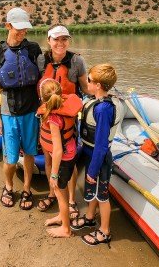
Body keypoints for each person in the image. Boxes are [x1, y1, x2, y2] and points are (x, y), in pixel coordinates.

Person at [0, 7, 42, 210]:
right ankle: (9, 186)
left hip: (31, 112)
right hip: (9, 114)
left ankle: (27, 188)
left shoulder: (33, 49)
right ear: (8, 26)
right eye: (18, 29)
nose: (22, 33)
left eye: (25, 29)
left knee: (29, 153)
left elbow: (44, 79)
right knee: (10, 159)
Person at [36, 24, 92, 219]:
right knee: (49, 156)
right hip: (47, 118)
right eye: (56, 39)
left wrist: (103, 91)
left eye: (64, 39)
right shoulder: (41, 59)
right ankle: (53, 193)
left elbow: (85, 88)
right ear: (49, 40)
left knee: (69, 160)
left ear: (68, 40)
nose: (60, 43)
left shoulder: (77, 61)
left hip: (67, 121)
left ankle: (70, 200)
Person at [70, 64, 124, 247]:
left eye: (90, 80)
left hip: (98, 158)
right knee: (92, 192)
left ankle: (105, 231)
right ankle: (91, 217)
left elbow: (101, 145)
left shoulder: (103, 110)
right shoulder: (96, 102)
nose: (87, 81)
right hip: (89, 152)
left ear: (99, 85)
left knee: (102, 196)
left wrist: (92, 171)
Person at [37, 79, 82, 238]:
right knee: (60, 193)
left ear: (42, 98)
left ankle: (66, 229)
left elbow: (57, 150)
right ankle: (61, 217)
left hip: (63, 160)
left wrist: (54, 174)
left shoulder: (53, 118)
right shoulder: (63, 107)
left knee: (60, 194)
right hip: (70, 153)